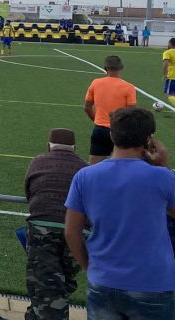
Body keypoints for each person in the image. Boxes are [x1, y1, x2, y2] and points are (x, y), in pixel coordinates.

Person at [65, 107, 175, 318]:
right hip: (153, 283)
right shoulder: (162, 177)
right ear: (148, 139)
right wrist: (165, 167)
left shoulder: (85, 176)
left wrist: (89, 267)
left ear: (111, 135)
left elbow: (71, 232)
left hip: (103, 280)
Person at [24, 128, 87, 320]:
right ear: (74, 147)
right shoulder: (84, 167)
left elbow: (29, 192)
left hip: (42, 227)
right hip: (77, 232)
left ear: (49, 145)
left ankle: (41, 314)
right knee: (61, 284)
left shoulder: (37, 162)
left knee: (45, 285)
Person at [84, 55, 137, 164]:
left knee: (93, 165)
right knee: (121, 165)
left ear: (105, 68)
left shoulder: (96, 83)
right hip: (120, 131)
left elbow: (87, 107)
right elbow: (132, 113)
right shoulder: (129, 87)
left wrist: (96, 120)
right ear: (121, 67)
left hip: (100, 129)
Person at [163, 38, 175, 107]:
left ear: (170, 43)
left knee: (169, 94)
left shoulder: (168, 52)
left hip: (172, 76)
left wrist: (165, 74)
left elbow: (165, 64)